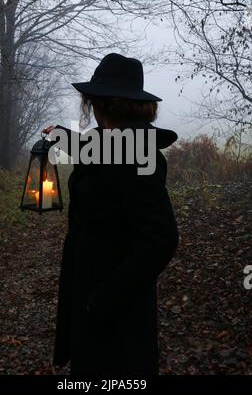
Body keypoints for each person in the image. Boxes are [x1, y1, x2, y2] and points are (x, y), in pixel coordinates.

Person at [43, 53, 179, 376]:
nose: (91, 108)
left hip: (117, 317)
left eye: (94, 101)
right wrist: (60, 136)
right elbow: (97, 155)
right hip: (95, 307)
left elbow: (162, 238)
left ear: (107, 105)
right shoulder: (117, 145)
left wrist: (103, 299)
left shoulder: (137, 156)